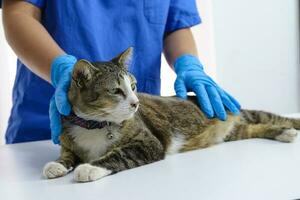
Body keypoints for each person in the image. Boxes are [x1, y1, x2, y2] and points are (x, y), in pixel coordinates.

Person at [2, 0, 241, 144]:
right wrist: (61, 70)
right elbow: (18, 13)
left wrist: (189, 64)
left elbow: (175, 23)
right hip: (47, 132)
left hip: (132, 131)